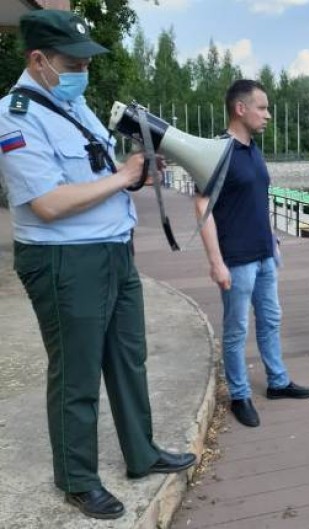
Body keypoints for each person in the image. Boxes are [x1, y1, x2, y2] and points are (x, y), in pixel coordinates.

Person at [0, 10, 196, 520]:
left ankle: (141, 452)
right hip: (65, 260)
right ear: (37, 60)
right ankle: (77, 477)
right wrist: (123, 175)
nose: (82, 71)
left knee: (128, 359)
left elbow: (97, 172)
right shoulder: (15, 114)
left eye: (87, 62)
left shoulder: (77, 105)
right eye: (73, 62)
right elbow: (47, 203)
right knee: (78, 373)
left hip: (113, 251)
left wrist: (136, 176)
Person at [195, 79, 309, 428]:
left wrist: (272, 238)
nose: (268, 115)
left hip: (264, 254)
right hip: (236, 260)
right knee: (236, 330)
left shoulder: (252, 149)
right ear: (240, 109)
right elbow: (202, 205)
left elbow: (253, 201)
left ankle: (277, 382)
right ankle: (240, 395)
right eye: (262, 107)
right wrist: (216, 262)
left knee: (271, 320)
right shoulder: (217, 151)